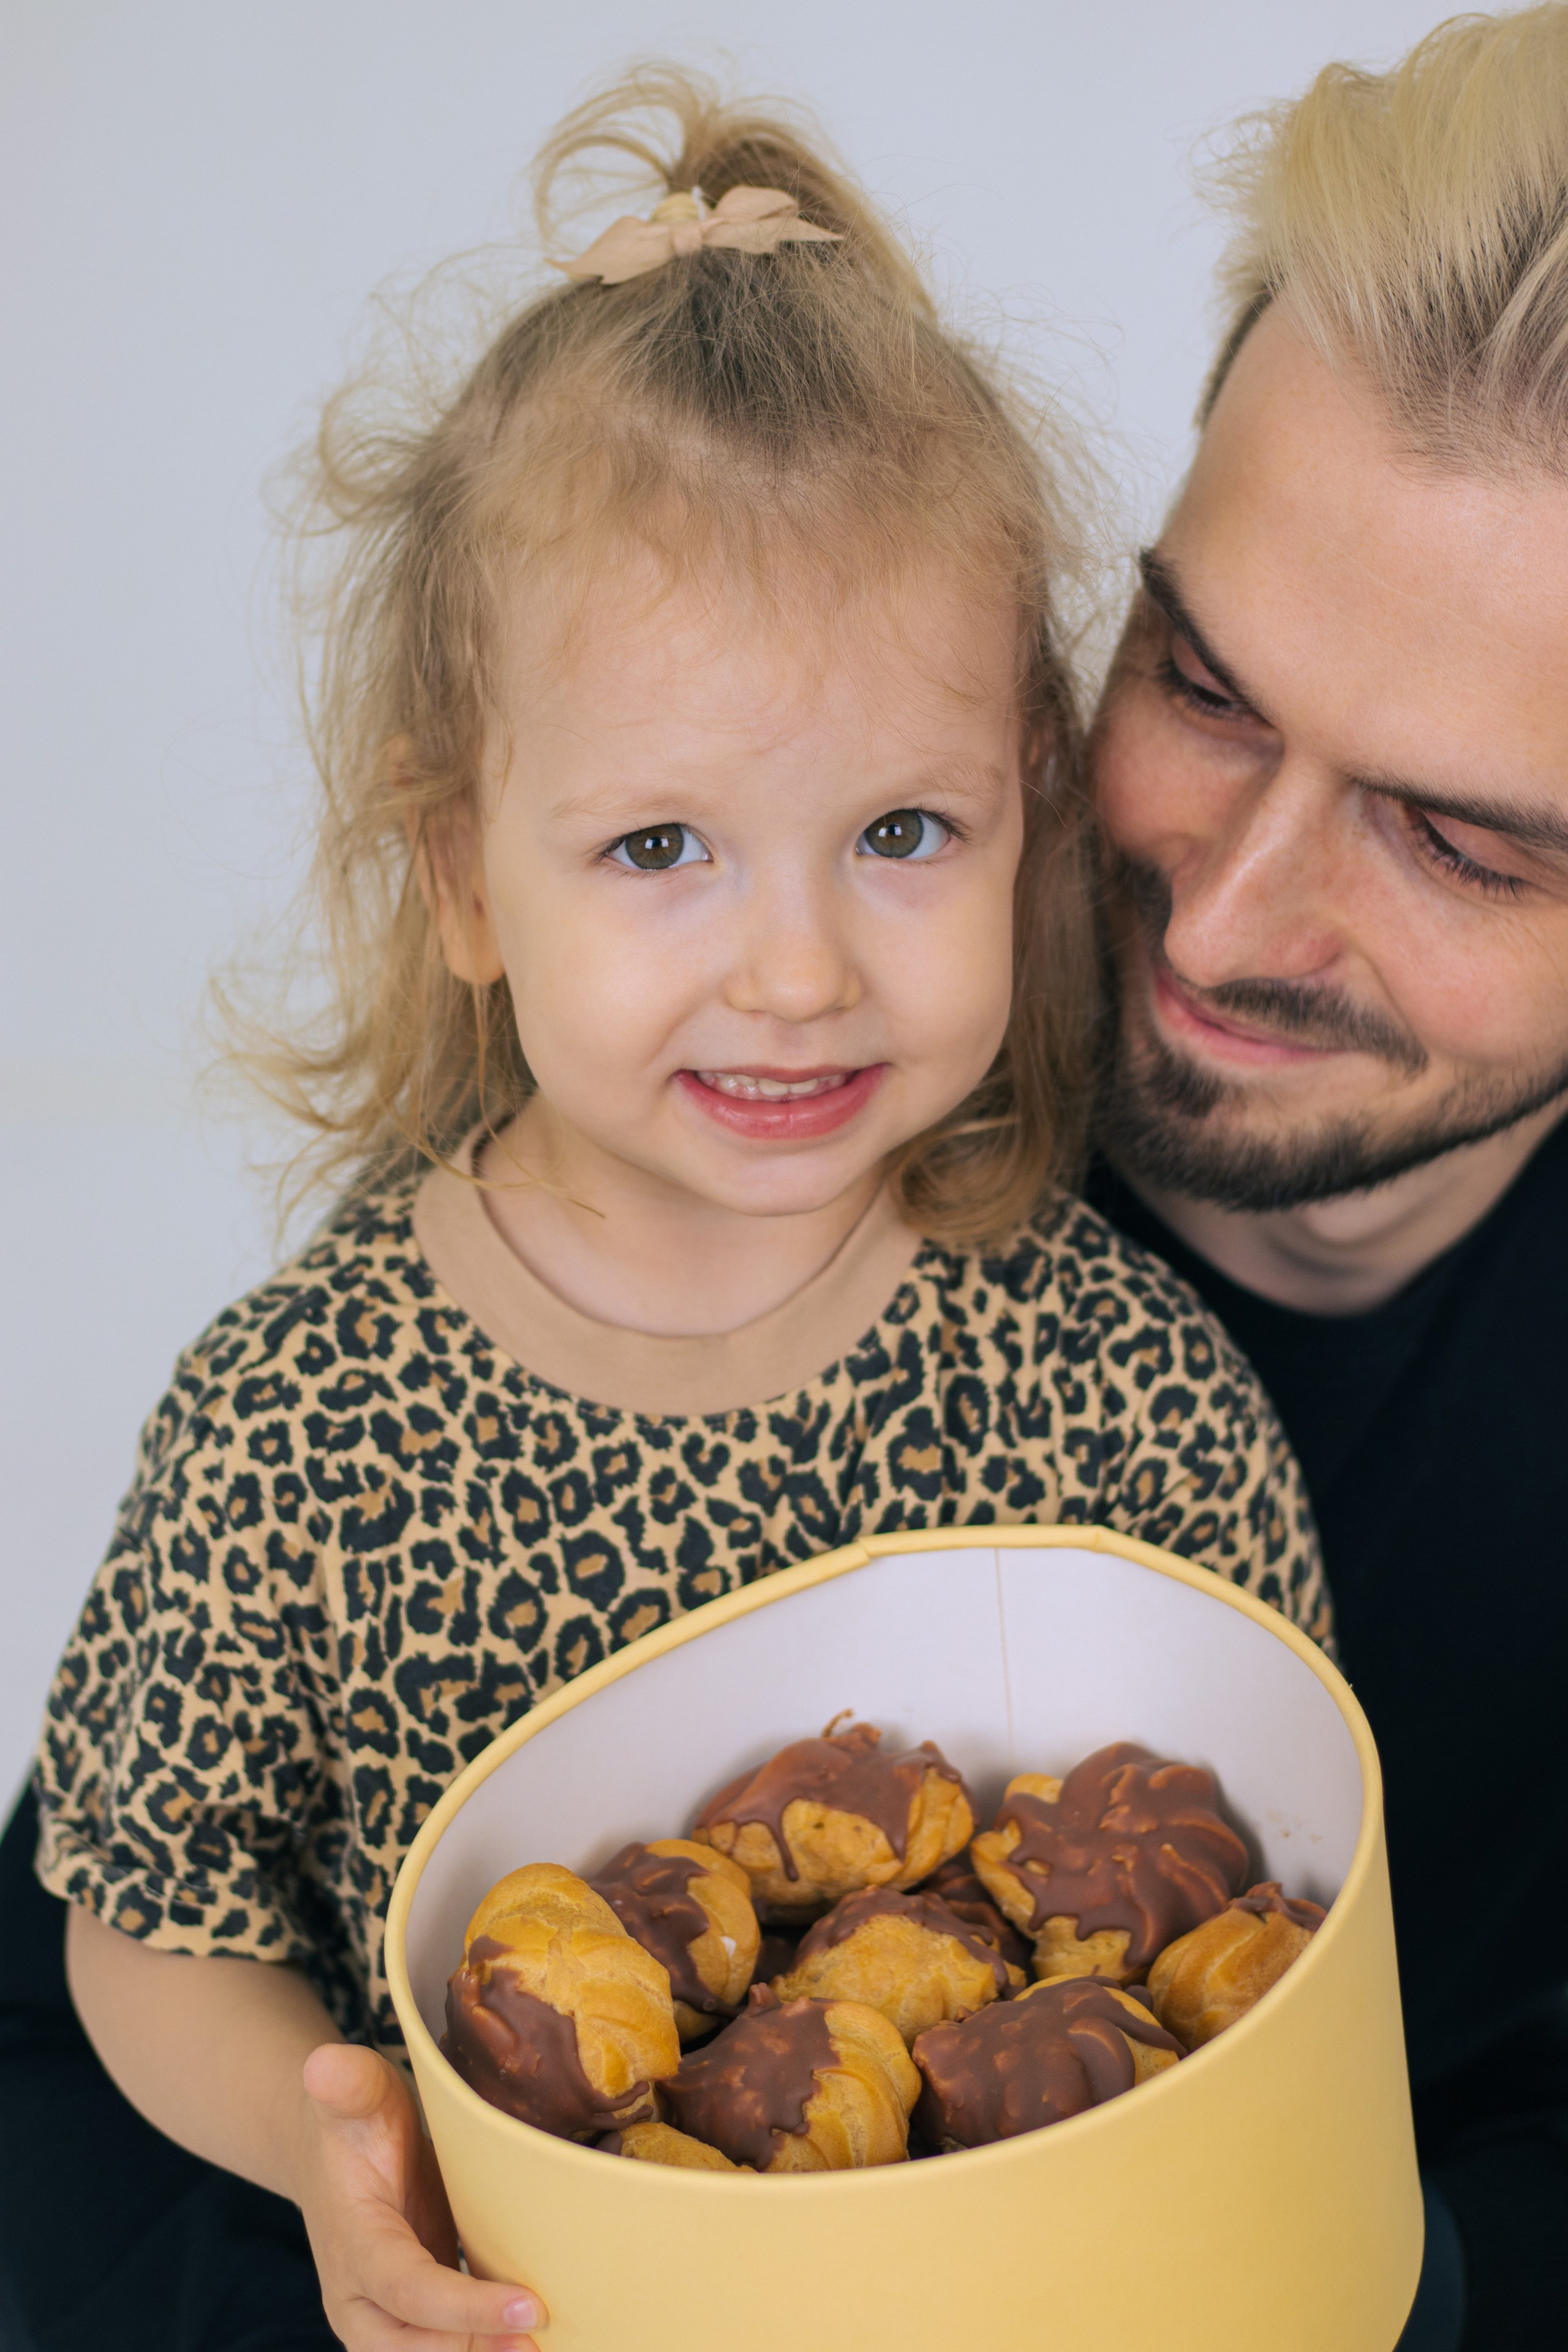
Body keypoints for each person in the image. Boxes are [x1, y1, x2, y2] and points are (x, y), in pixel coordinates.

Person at [0, 68, 1325, 2352]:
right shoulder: (300, 1422)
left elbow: (1275, 1916)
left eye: (903, 833)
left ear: (1031, 811)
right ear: (460, 878)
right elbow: (145, 1907)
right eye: (659, 848)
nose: (799, 967)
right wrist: (351, 2157)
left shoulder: (1115, 1380)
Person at [1085, 10, 1568, 2349]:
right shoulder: (732, 1099)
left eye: (1459, 842)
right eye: (1197, 683)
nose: (1220, 916)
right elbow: (72, 2069)